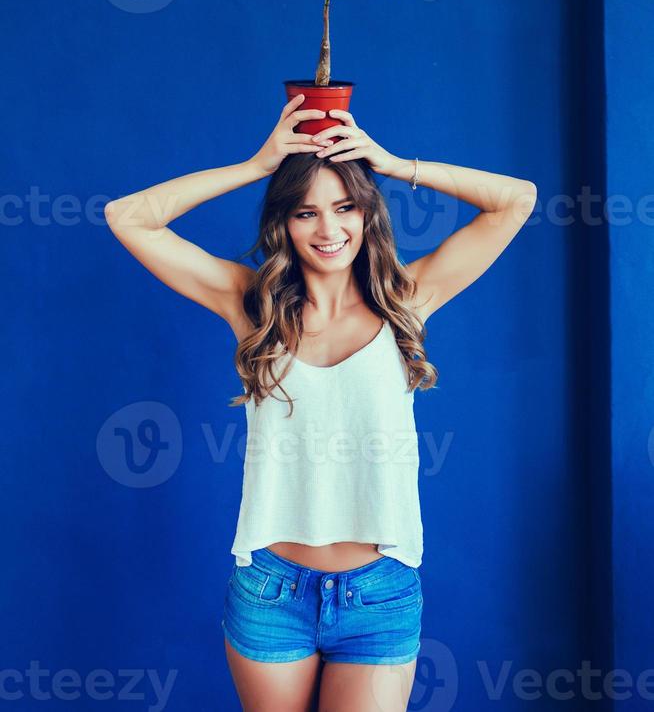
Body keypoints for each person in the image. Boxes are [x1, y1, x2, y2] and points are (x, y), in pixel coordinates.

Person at [104, 93, 537, 711]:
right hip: (271, 592)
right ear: (283, 223)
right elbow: (128, 216)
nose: (329, 230)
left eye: (344, 207)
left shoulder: (406, 301)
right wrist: (257, 166)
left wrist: (391, 164)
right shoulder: (251, 303)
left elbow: (516, 199)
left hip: (379, 592)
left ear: (367, 213)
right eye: (306, 213)